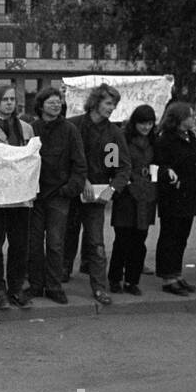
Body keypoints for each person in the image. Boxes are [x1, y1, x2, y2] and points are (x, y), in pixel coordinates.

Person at [66, 84, 130, 305]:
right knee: (65, 236)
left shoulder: (115, 133)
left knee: (95, 241)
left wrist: (112, 189)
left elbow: (124, 167)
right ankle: (60, 276)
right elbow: (66, 159)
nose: (112, 108)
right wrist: (81, 179)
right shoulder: (73, 125)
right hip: (71, 191)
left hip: (97, 197)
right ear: (95, 102)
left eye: (114, 104)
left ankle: (99, 287)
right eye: (108, 103)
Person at [27, 87, 87, 304]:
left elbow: (79, 164)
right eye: (51, 102)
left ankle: (54, 286)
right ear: (41, 105)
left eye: (58, 102)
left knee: (55, 243)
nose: (56, 105)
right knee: (33, 243)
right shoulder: (31, 129)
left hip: (59, 197)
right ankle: (35, 285)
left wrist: (69, 189)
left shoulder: (70, 130)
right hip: (34, 196)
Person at [0, 84, 35, 310]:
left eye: (12, 99)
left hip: (20, 197)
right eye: (5, 99)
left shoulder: (26, 128)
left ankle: (16, 288)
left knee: (19, 246)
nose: (10, 103)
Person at [153, 102, 196, 296]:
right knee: (170, 236)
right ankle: (168, 277)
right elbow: (158, 164)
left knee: (182, 237)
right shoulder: (165, 139)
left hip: (189, 195)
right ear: (180, 119)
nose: (194, 119)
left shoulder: (190, 136)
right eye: (190, 116)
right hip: (173, 195)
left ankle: (177, 273)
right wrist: (168, 171)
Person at [108, 104, 157, 295]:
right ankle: (114, 278)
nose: (146, 127)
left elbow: (155, 165)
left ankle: (132, 281)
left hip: (146, 196)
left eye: (150, 123)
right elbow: (110, 163)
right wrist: (122, 183)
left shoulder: (154, 141)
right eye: (142, 123)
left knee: (139, 241)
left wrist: (152, 184)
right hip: (127, 195)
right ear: (134, 122)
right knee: (122, 240)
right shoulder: (122, 139)